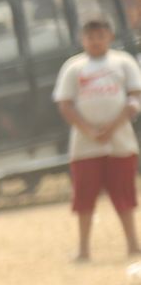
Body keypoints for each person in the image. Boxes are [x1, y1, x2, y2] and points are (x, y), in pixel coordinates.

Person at [53, 17, 141, 263]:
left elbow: (135, 97)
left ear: (109, 37)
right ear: (82, 39)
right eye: (90, 37)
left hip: (120, 141)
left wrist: (113, 126)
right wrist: (89, 130)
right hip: (85, 145)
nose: (95, 41)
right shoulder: (74, 67)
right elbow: (65, 103)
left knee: (124, 195)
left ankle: (133, 245)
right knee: (84, 198)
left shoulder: (123, 62)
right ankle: (83, 249)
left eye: (100, 36)